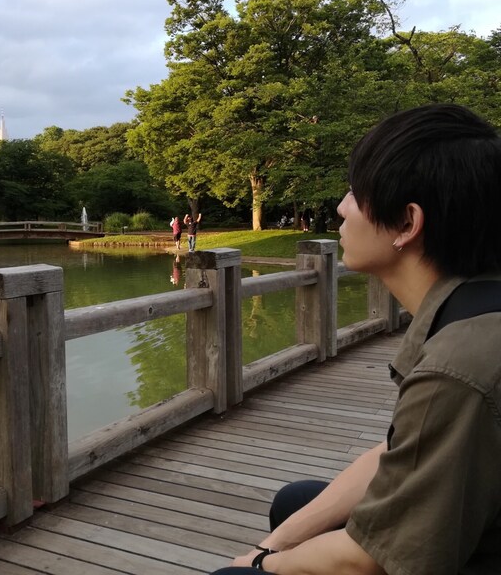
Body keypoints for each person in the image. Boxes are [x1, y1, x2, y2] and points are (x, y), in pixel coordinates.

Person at [211, 104, 501, 574]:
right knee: (297, 503)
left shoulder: (456, 368)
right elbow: (400, 452)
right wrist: (276, 544)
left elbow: (370, 561)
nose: (341, 208)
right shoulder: (475, 303)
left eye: (355, 192)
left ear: (407, 224)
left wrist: (260, 564)